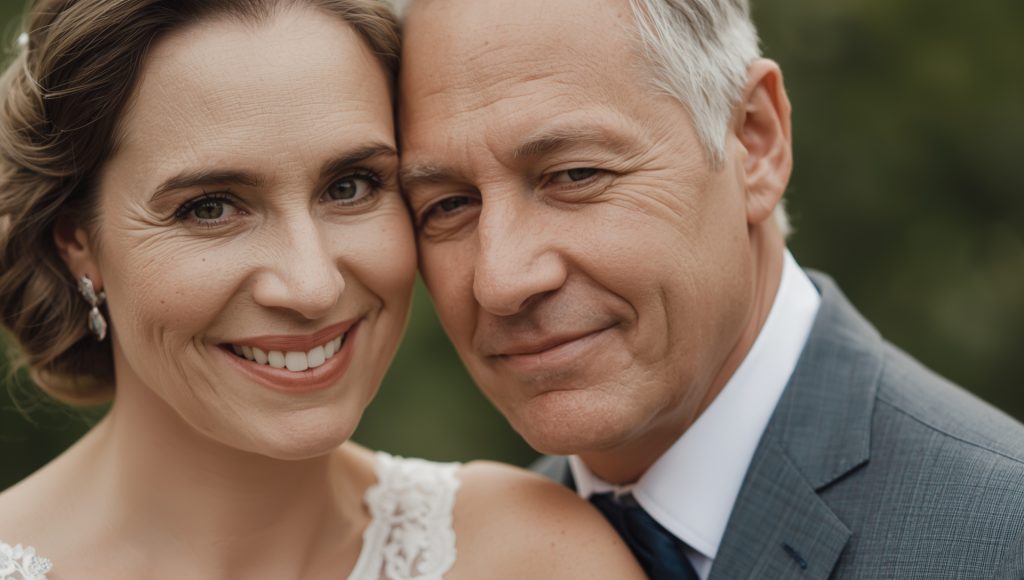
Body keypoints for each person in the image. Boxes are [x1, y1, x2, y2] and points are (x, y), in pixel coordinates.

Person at [0, 1, 646, 578]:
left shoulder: (535, 557)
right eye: (210, 207)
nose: (311, 287)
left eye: (350, 186)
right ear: (79, 243)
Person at [397, 0, 1024, 578]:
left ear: (755, 140)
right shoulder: (465, 556)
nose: (501, 280)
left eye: (575, 174)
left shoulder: (999, 534)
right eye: (448, 205)